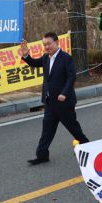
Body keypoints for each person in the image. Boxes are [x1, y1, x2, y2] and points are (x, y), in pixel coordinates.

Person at [20, 32, 89, 165]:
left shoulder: (65, 58)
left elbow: (71, 77)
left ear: (57, 42)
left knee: (73, 128)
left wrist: (64, 93)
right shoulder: (46, 58)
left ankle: (86, 145)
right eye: (44, 45)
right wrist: (25, 55)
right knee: (47, 130)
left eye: (49, 44)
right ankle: (42, 155)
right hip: (50, 102)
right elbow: (34, 63)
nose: (47, 47)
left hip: (64, 102)